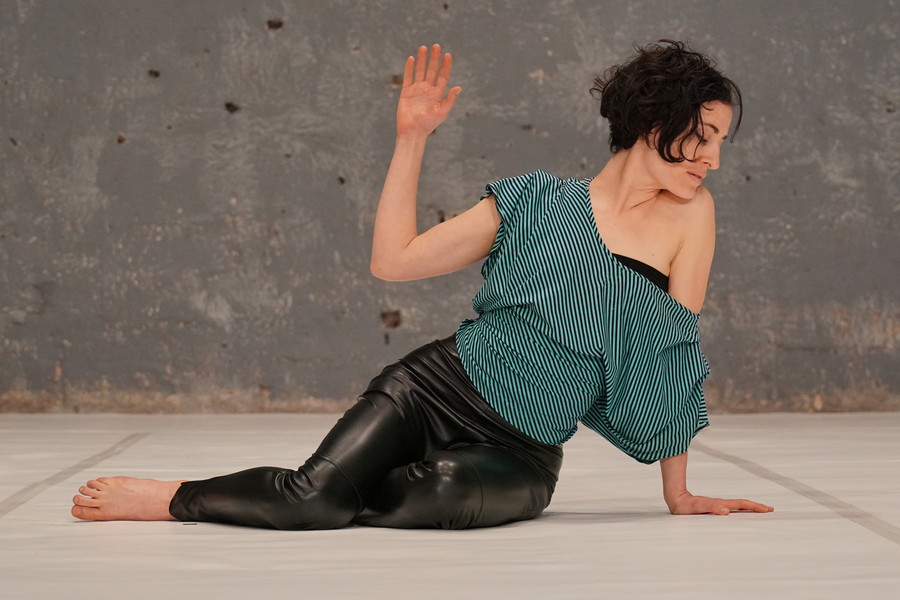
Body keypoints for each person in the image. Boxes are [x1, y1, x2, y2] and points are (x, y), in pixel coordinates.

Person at [72, 41, 773, 529]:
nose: (713, 158)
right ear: (654, 121)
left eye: (722, 141)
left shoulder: (692, 216)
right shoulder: (532, 202)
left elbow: (669, 357)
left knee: (440, 492)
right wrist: (411, 139)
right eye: (705, 135)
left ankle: (334, 492)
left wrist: (678, 494)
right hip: (431, 389)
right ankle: (178, 497)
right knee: (310, 499)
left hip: (521, 453)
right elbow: (394, 261)